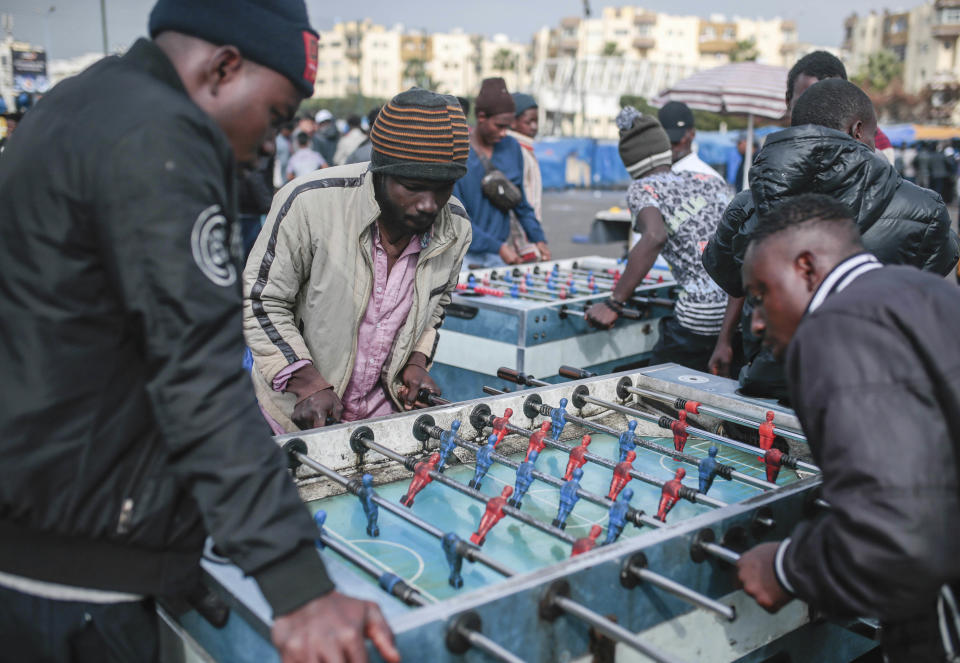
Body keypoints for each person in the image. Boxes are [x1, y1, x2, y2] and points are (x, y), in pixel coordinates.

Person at [0, 1, 400, 662]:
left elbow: (101, 344)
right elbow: (198, 376)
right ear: (223, 67)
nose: (273, 141)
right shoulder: (163, 136)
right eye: (275, 115)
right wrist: (299, 585)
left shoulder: (81, 101)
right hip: (73, 589)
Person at [736, 194, 960, 663]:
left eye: (759, 295)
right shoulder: (920, 288)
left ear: (806, 268)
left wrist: (785, 568)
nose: (755, 322)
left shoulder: (832, 328)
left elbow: (897, 533)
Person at [702, 79, 958, 400]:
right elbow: (935, 269)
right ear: (857, 130)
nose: (875, 146)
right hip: (867, 388)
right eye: (872, 136)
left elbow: (728, 277)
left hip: (769, 382)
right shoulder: (925, 209)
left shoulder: (745, 206)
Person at [244, 88, 472, 433]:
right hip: (288, 420)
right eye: (413, 187)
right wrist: (307, 382)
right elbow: (261, 300)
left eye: (443, 188)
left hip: (381, 420)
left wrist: (416, 360)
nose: (429, 204)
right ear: (379, 171)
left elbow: (435, 307)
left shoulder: (455, 225)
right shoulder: (308, 204)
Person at [586, 108, 730, 374]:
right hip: (737, 314)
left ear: (630, 163)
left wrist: (614, 303)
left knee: (658, 396)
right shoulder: (708, 180)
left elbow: (654, 236)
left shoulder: (644, 187)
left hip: (699, 316)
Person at [453, 77, 548, 267]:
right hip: (462, 257)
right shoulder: (457, 152)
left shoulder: (512, 148)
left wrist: (538, 238)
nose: (505, 132)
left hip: (499, 257)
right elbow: (455, 218)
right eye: (499, 126)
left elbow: (519, 202)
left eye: (508, 126)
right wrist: (498, 247)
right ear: (481, 117)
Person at [505, 92, 544, 260]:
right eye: (529, 122)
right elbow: (517, 202)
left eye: (536, 121)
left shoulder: (527, 149)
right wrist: (526, 246)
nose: (534, 127)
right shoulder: (518, 151)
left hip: (529, 235)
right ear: (513, 122)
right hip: (520, 244)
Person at [658, 100, 725, 181]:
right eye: (666, 139)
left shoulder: (711, 179)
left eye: (676, 140)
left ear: (692, 134)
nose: (670, 145)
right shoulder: (653, 176)